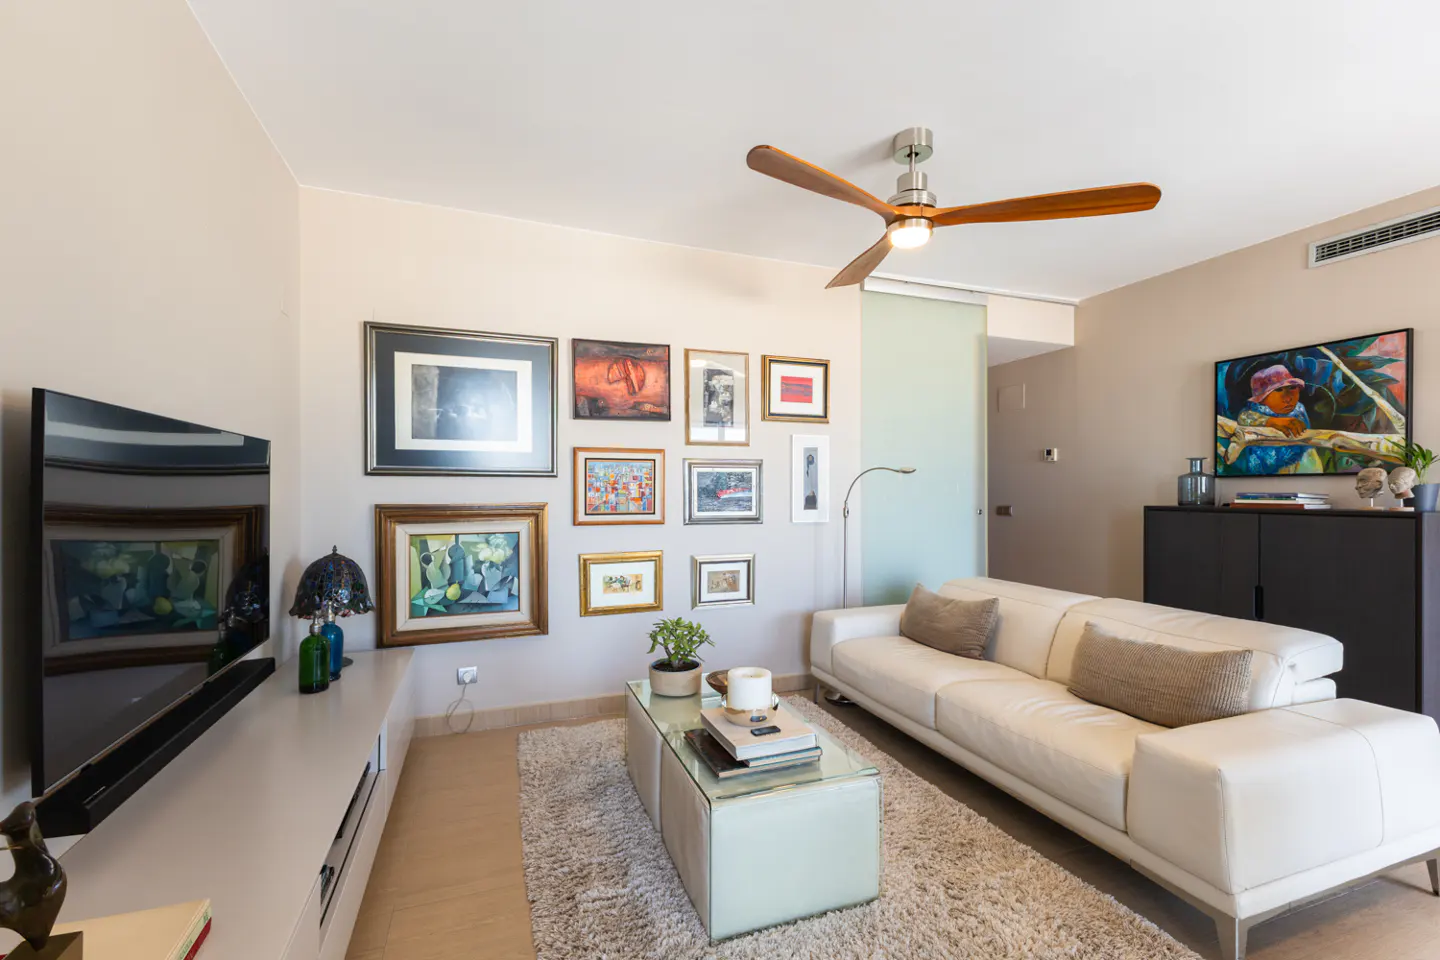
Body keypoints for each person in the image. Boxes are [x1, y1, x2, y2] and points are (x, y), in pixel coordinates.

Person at [1233, 364, 1323, 474]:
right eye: (1279, 390)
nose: (1288, 397)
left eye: (1292, 387)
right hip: (1267, 466)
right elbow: (1243, 418)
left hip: (1298, 459)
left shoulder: (1299, 409)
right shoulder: (1255, 411)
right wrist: (1271, 422)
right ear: (1261, 399)